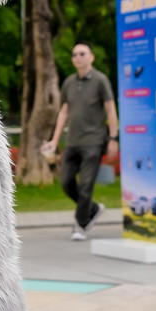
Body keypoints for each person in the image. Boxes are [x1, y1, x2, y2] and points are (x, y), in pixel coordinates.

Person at [40, 42, 119, 239]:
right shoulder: (69, 82)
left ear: (91, 57)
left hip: (94, 141)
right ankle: (92, 209)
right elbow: (64, 112)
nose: (78, 57)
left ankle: (80, 224)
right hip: (73, 142)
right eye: (74, 54)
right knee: (66, 182)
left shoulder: (101, 80)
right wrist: (55, 140)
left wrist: (113, 138)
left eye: (82, 54)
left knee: (86, 185)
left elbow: (110, 110)